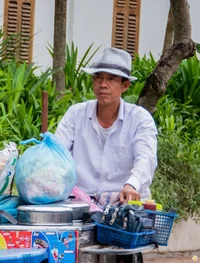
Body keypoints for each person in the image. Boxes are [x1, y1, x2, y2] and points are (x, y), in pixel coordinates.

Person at [54, 47, 158, 205]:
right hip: (80, 205)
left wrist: (131, 184)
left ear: (125, 85)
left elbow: (146, 158)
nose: (103, 84)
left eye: (111, 79)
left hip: (124, 207)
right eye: (98, 77)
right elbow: (57, 154)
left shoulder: (140, 119)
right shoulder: (76, 114)